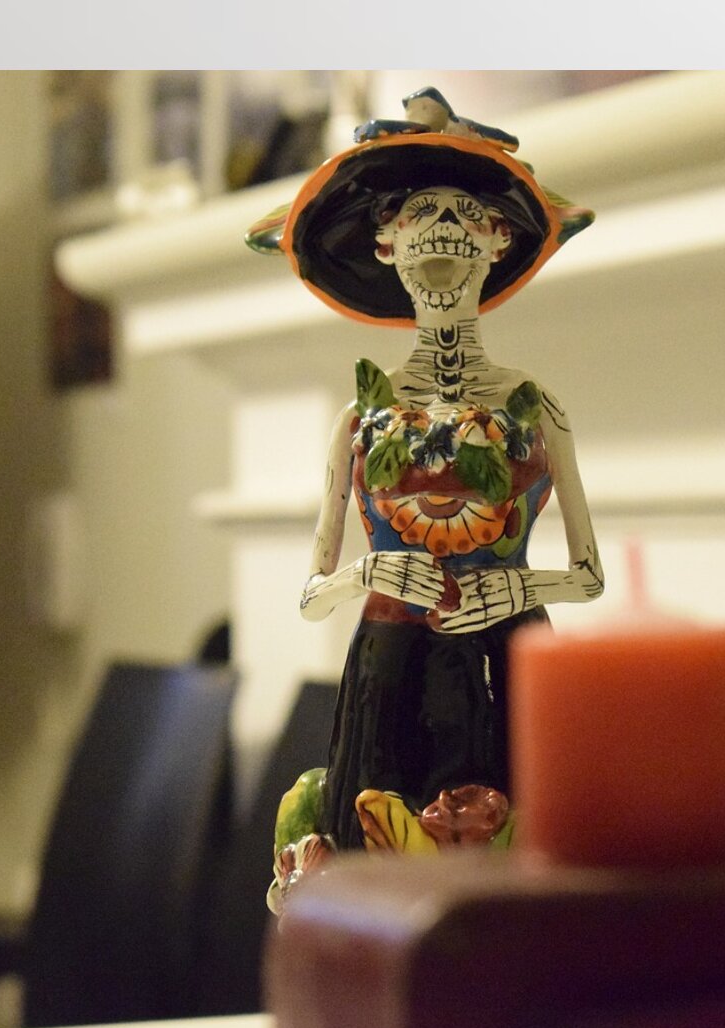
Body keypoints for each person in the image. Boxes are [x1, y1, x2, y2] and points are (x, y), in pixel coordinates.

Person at [247, 89, 604, 896]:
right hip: (390, 664)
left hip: (507, 655)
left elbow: (589, 575)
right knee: (374, 853)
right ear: (386, 245)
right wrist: (367, 572)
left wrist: (519, 586)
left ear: (497, 241)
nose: (443, 226)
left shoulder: (537, 408)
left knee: (515, 861)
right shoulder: (358, 418)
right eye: (419, 213)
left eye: (465, 214)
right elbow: (311, 592)